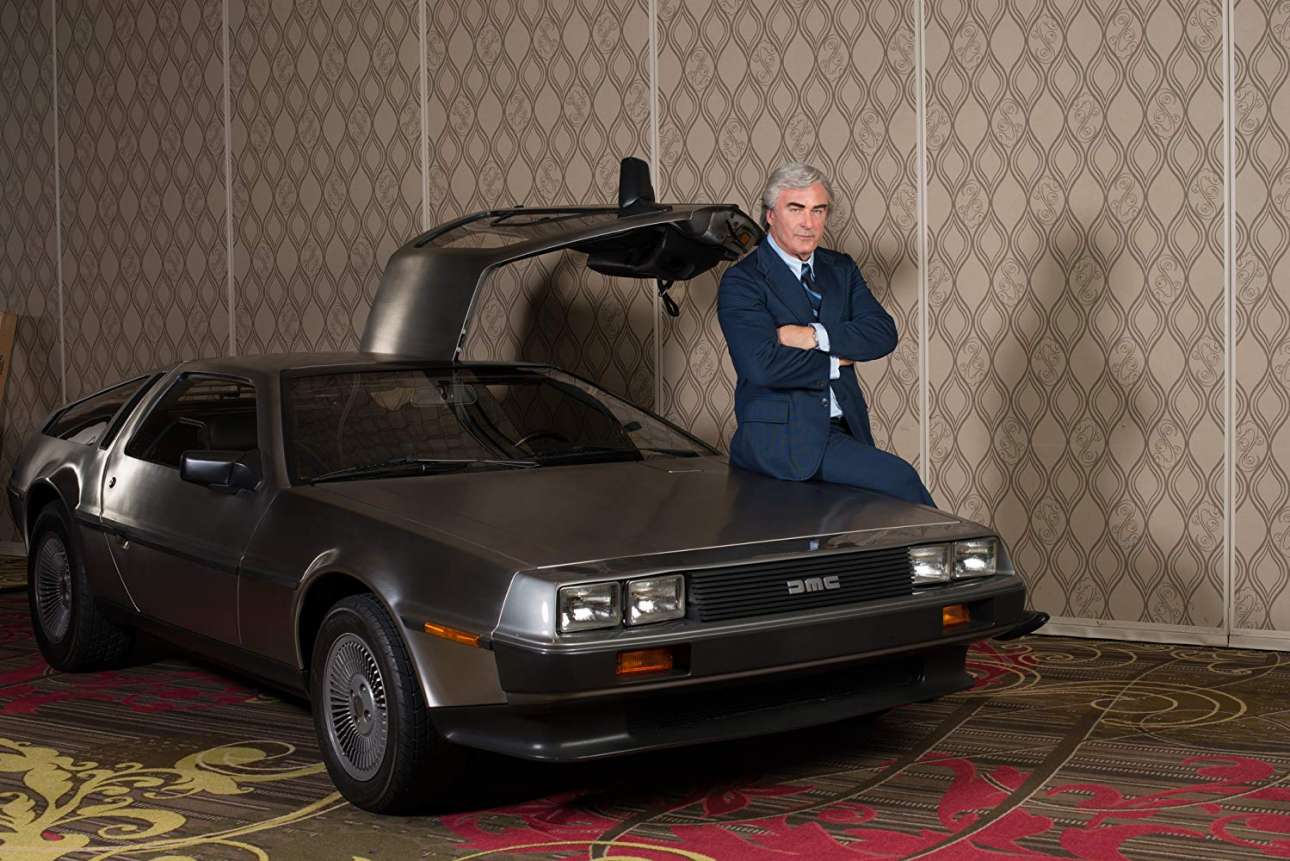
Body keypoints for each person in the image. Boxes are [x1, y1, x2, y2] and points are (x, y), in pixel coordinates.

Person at [717, 162, 935, 507]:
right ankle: (959, 546)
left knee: (872, 518)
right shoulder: (743, 280)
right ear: (770, 215)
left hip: (847, 427)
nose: (809, 223)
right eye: (796, 209)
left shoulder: (840, 268)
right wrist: (836, 361)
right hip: (783, 439)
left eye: (818, 210)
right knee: (900, 478)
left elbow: (882, 332)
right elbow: (762, 366)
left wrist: (814, 336)